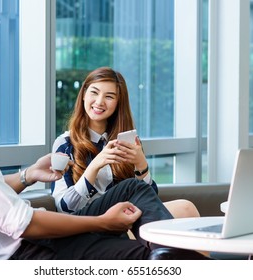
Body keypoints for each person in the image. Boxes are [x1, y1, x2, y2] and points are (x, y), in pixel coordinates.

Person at [0, 33, 209, 260]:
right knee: (161, 257)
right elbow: (24, 223)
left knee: (137, 192)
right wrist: (102, 223)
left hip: (32, 241)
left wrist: (28, 175)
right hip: (25, 251)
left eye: (110, 97)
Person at [51, 67, 200, 221]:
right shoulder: (65, 143)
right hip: (90, 222)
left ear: (118, 103)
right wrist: (95, 166)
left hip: (127, 216)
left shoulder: (126, 141)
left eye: (109, 96)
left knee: (186, 208)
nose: (100, 101)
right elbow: (64, 208)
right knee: (134, 193)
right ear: (83, 95)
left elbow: (150, 200)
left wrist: (141, 164)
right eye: (94, 92)